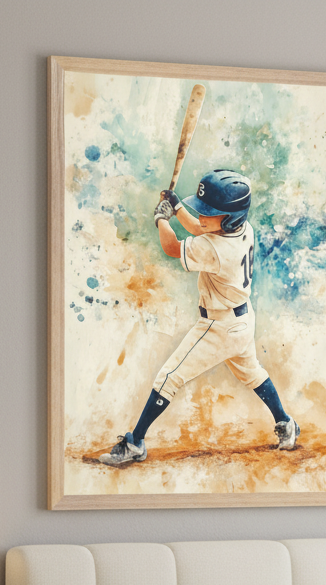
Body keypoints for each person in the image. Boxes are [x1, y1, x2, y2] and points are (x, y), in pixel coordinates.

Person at [98, 168, 299, 466]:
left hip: (218, 326)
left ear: (229, 217)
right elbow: (200, 228)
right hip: (242, 322)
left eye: (210, 211)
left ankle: (135, 443)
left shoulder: (215, 249)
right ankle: (286, 423)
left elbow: (171, 247)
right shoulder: (242, 229)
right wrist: (178, 206)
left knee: (169, 377)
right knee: (252, 372)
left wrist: (161, 219)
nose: (202, 215)